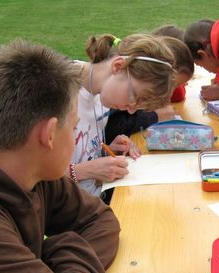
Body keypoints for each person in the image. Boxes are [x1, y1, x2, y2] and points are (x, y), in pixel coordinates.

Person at [0, 40, 120, 273]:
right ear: (49, 134)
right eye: (74, 126)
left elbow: (101, 220)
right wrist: (63, 244)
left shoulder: (32, 174)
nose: (75, 135)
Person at [70, 33, 176, 198]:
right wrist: (84, 171)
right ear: (118, 66)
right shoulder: (59, 92)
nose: (131, 111)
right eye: (133, 98)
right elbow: (24, 174)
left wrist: (108, 151)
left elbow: (77, 155)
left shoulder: (100, 94)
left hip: (92, 203)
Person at [105, 35, 195, 143]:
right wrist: (153, 116)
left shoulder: (116, 89)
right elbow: (112, 128)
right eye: (173, 85)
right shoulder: (105, 96)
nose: (169, 94)